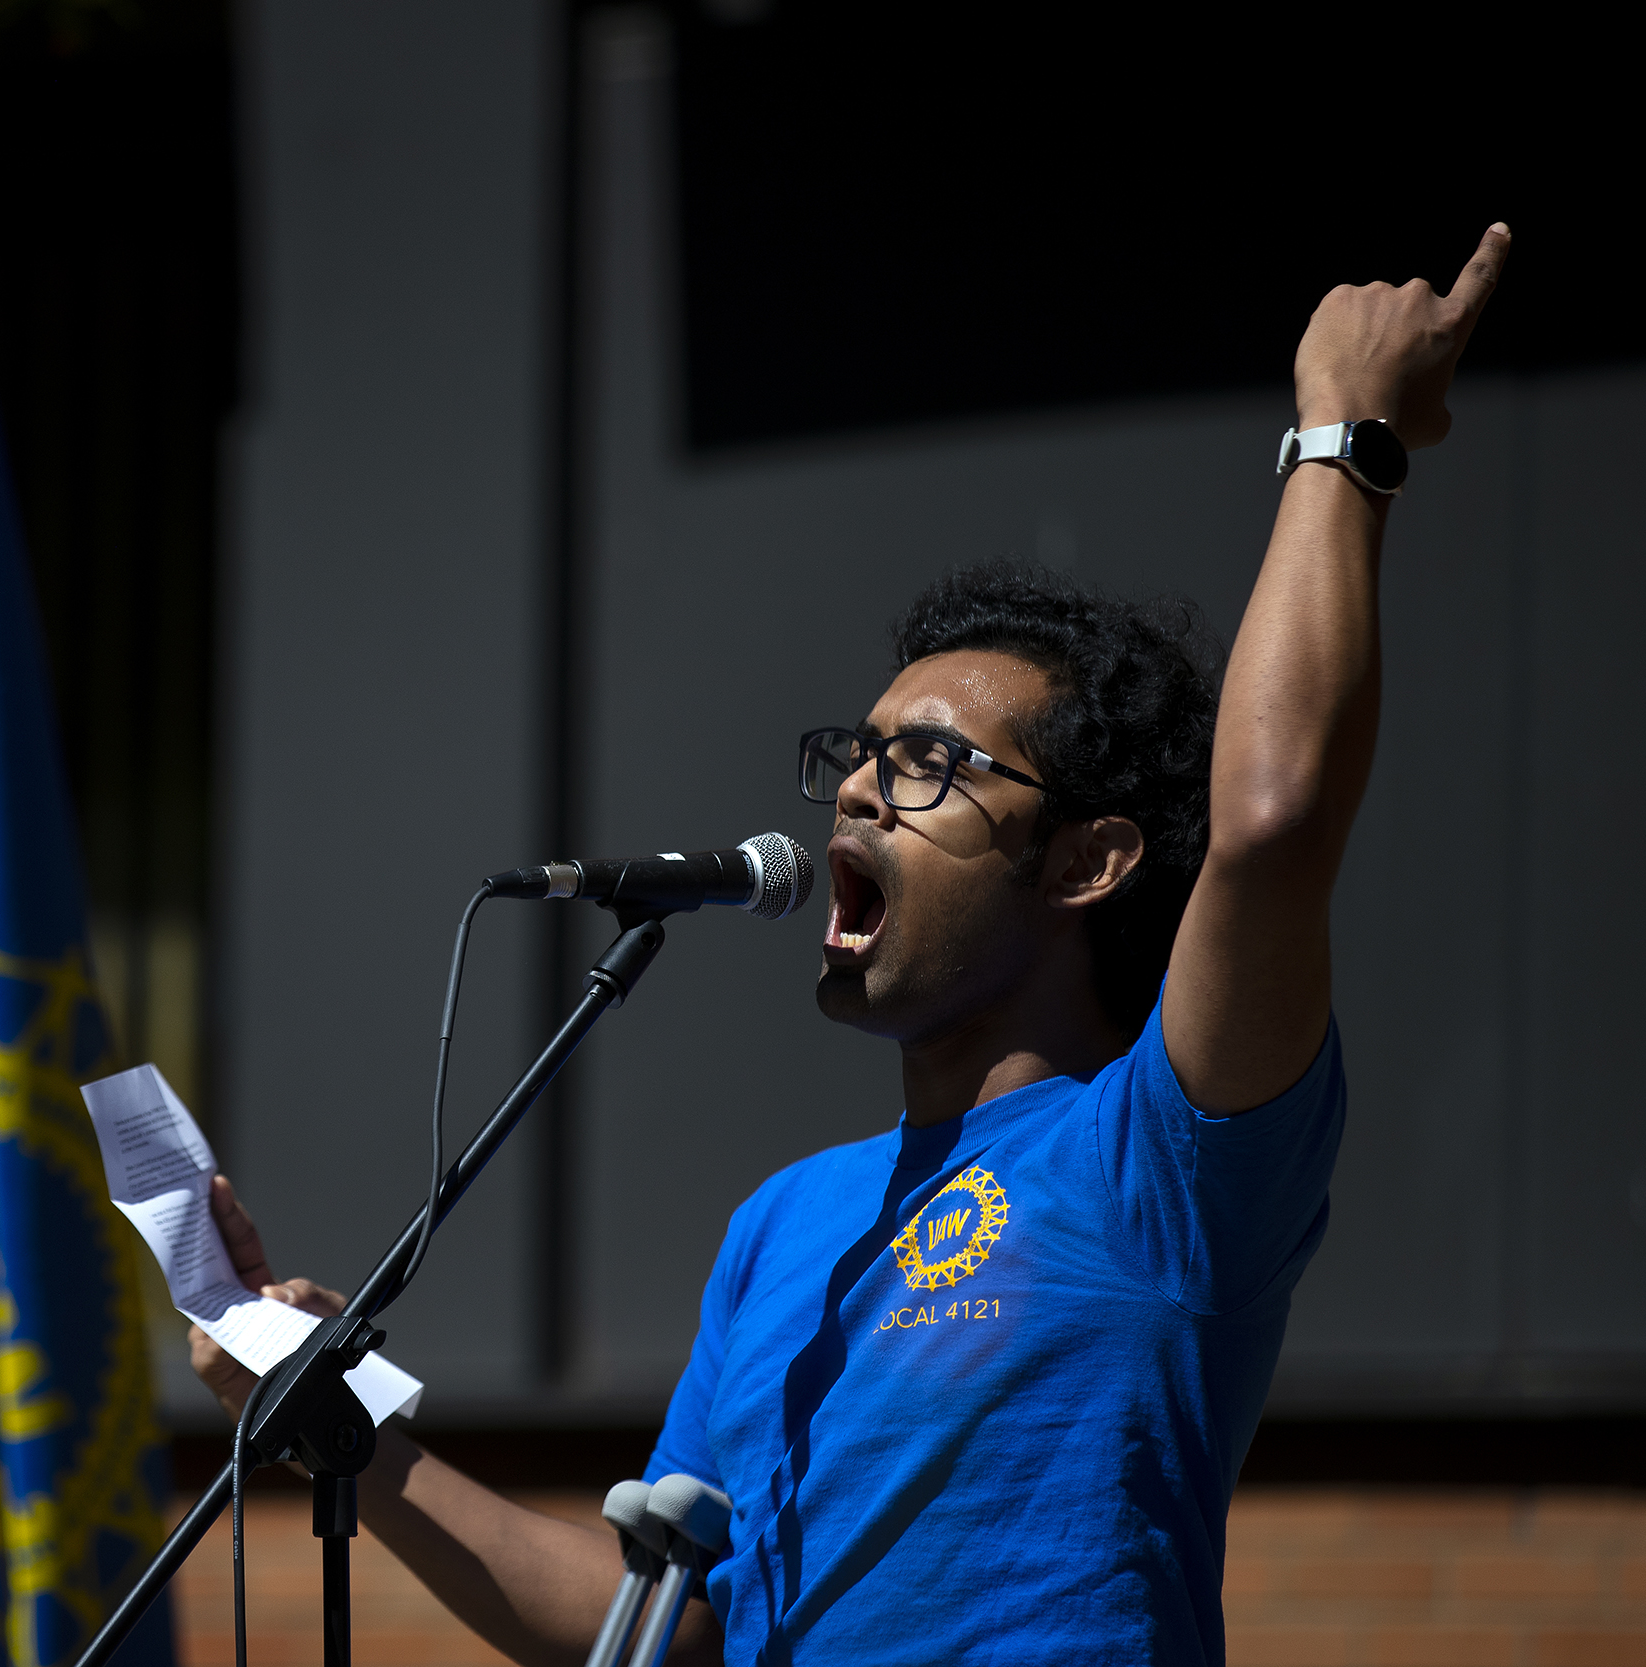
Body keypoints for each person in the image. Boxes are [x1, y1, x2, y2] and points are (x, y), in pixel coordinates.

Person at [188, 225, 1512, 1665]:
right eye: (860, 754)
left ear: (1089, 861)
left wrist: (1345, 434)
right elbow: (671, 1634)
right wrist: (348, 1434)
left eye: (933, 764)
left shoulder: (1166, 1160)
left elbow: (1271, 825)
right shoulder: (785, 1228)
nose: (867, 787)